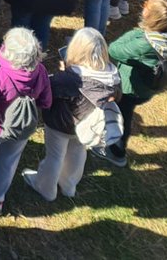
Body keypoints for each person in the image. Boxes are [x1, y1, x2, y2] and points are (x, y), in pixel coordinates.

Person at [22, 27, 120, 202]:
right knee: (78, 152)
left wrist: (63, 72)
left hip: (60, 124)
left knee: (55, 156)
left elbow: (48, 89)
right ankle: (68, 185)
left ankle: (45, 188)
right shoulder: (112, 76)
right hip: (87, 127)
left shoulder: (71, 79)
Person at [0, 27, 52, 214]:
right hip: (21, 128)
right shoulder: (41, 71)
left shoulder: (0, 75)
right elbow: (46, 101)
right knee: (9, 161)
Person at [98, 0, 167, 167]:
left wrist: (137, 33)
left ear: (152, 18)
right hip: (148, 87)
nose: (142, 7)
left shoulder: (144, 43)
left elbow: (114, 50)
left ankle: (117, 151)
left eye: (146, 6)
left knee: (123, 115)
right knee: (125, 112)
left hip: (130, 89)